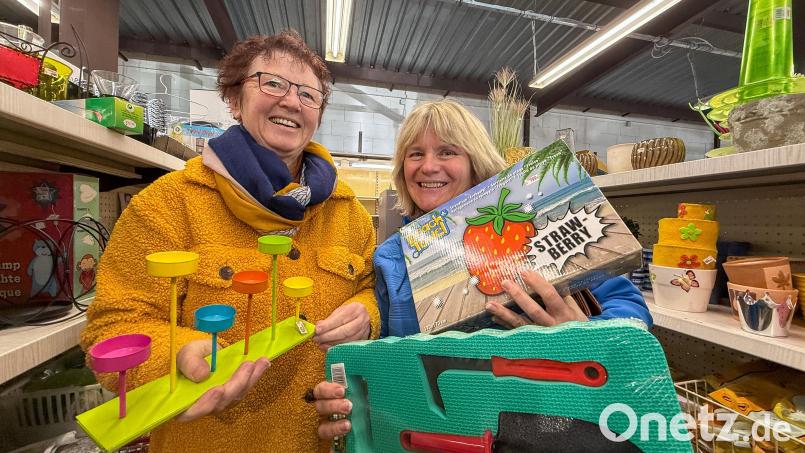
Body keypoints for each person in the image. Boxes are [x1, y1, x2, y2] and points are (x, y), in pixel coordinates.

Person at [80, 30, 378, 453]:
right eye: (272, 83)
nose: (292, 101)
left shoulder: (346, 211)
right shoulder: (169, 203)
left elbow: (371, 287)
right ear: (235, 100)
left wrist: (367, 314)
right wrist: (178, 355)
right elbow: (113, 327)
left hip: (322, 442)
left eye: (309, 95)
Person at [313, 99, 652, 440]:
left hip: (534, 421)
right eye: (415, 154)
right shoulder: (392, 256)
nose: (428, 166)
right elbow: (385, 355)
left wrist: (587, 334)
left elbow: (629, 311)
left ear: (475, 163)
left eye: (447, 152)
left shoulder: (524, 223)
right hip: (435, 432)